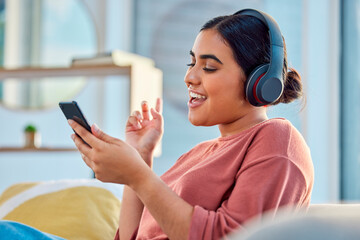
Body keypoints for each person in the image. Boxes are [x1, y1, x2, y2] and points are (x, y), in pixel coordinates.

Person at [68, 8, 314, 240]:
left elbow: (233, 236)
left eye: (208, 67)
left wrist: (139, 175)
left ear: (260, 82)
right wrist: (140, 157)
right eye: (191, 63)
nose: (189, 77)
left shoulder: (278, 139)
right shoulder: (197, 154)